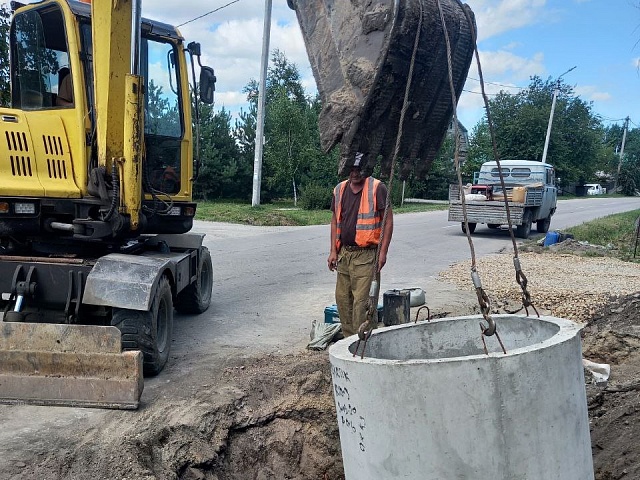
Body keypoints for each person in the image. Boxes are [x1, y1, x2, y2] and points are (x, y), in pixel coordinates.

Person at [327, 153, 393, 338]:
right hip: (345, 255)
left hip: (367, 255)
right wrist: (333, 250)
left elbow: (388, 220)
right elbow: (334, 221)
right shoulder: (339, 189)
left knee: (362, 305)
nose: (355, 173)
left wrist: (383, 252)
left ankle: (365, 343)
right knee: (343, 301)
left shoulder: (377, 187)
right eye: (351, 169)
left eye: (359, 169)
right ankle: (349, 344)